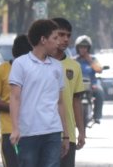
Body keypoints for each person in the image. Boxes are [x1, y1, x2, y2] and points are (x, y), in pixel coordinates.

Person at [10, 19, 70, 167]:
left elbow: (60, 103)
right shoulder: (21, 63)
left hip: (53, 131)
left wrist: (66, 135)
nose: (58, 42)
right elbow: (15, 97)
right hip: (28, 131)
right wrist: (15, 128)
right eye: (55, 38)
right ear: (43, 39)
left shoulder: (57, 66)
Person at [0, 34, 33, 167]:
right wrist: (14, 107)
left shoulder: (35, 70)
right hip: (10, 131)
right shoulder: (1, 70)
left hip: (33, 130)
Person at [51, 17, 87, 167]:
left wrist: (82, 131)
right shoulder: (38, 63)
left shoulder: (74, 66)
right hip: (42, 133)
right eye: (61, 34)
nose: (65, 39)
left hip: (68, 135)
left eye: (68, 35)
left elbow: (76, 101)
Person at [74, 35, 104, 125]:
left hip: (92, 85)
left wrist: (90, 61)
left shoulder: (93, 59)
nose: (83, 49)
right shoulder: (74, 60)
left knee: (100, 92)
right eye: (81, 47)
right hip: (77, 85)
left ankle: (97, 116)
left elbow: (99, 70)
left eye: (85, 47)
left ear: (88, 48)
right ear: (77, 48)